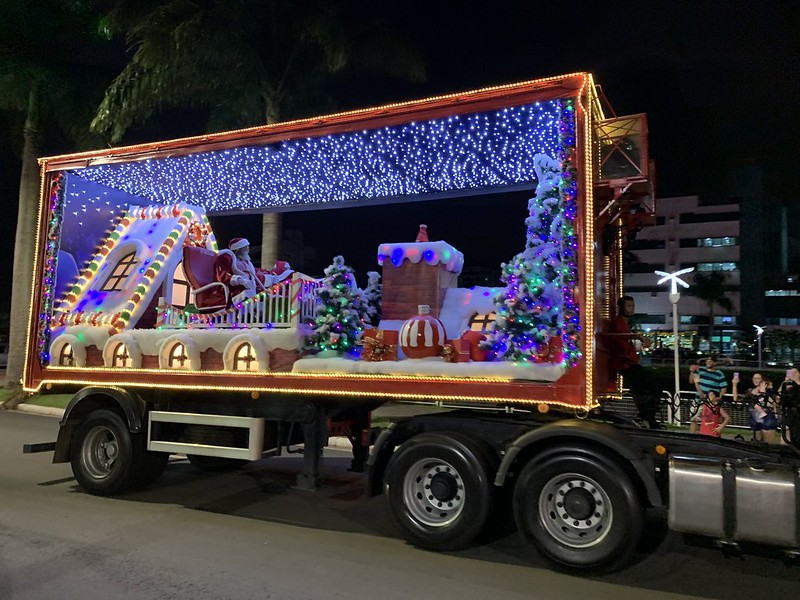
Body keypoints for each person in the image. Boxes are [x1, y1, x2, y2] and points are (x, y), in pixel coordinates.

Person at [607, 295, 661, 428]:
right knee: (650, 387)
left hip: (628, 363)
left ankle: (647, 418)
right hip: (625, 364)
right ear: (621, 308)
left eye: (633, 306)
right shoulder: (618, 321)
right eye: (629, 306)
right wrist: (638, 337)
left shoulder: (624, 323)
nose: (632, 309)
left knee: (644, 389)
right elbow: (620, 339)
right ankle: (644, 418)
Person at [214, 237, 293, 306]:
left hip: (250, 288)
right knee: (251, 296)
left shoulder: (246, 262)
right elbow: (223, 275)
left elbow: (255, 276)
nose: (248, 250)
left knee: (268, 296)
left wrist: (270, 279)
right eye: (246, 248)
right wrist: (240, 280)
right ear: (239, 249)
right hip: (235, 290)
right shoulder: (226, 258)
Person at [732, 373, 778, 443]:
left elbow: (773, 402)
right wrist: (734, 385)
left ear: (762, 380)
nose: (756, 380)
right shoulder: (750, 391)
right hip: (755, 418)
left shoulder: (768, 390)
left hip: (767, 418)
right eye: (754, 378)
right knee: (757, 442)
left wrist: (763, 392)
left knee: (769, 443)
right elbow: (736, 399)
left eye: (758, 378)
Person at [689, 355, 727, 433]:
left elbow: (723, 388)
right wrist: (692, 371)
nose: (708, 362)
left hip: (711, 402)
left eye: (710, 361)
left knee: (711, 421)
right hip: (698, 400)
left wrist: (719, 398)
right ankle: (692, 437)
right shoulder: (700, 370)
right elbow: (691, 381)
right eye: (707, 360)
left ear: (715, 363)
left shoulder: (719, 374)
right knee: (693, 420)